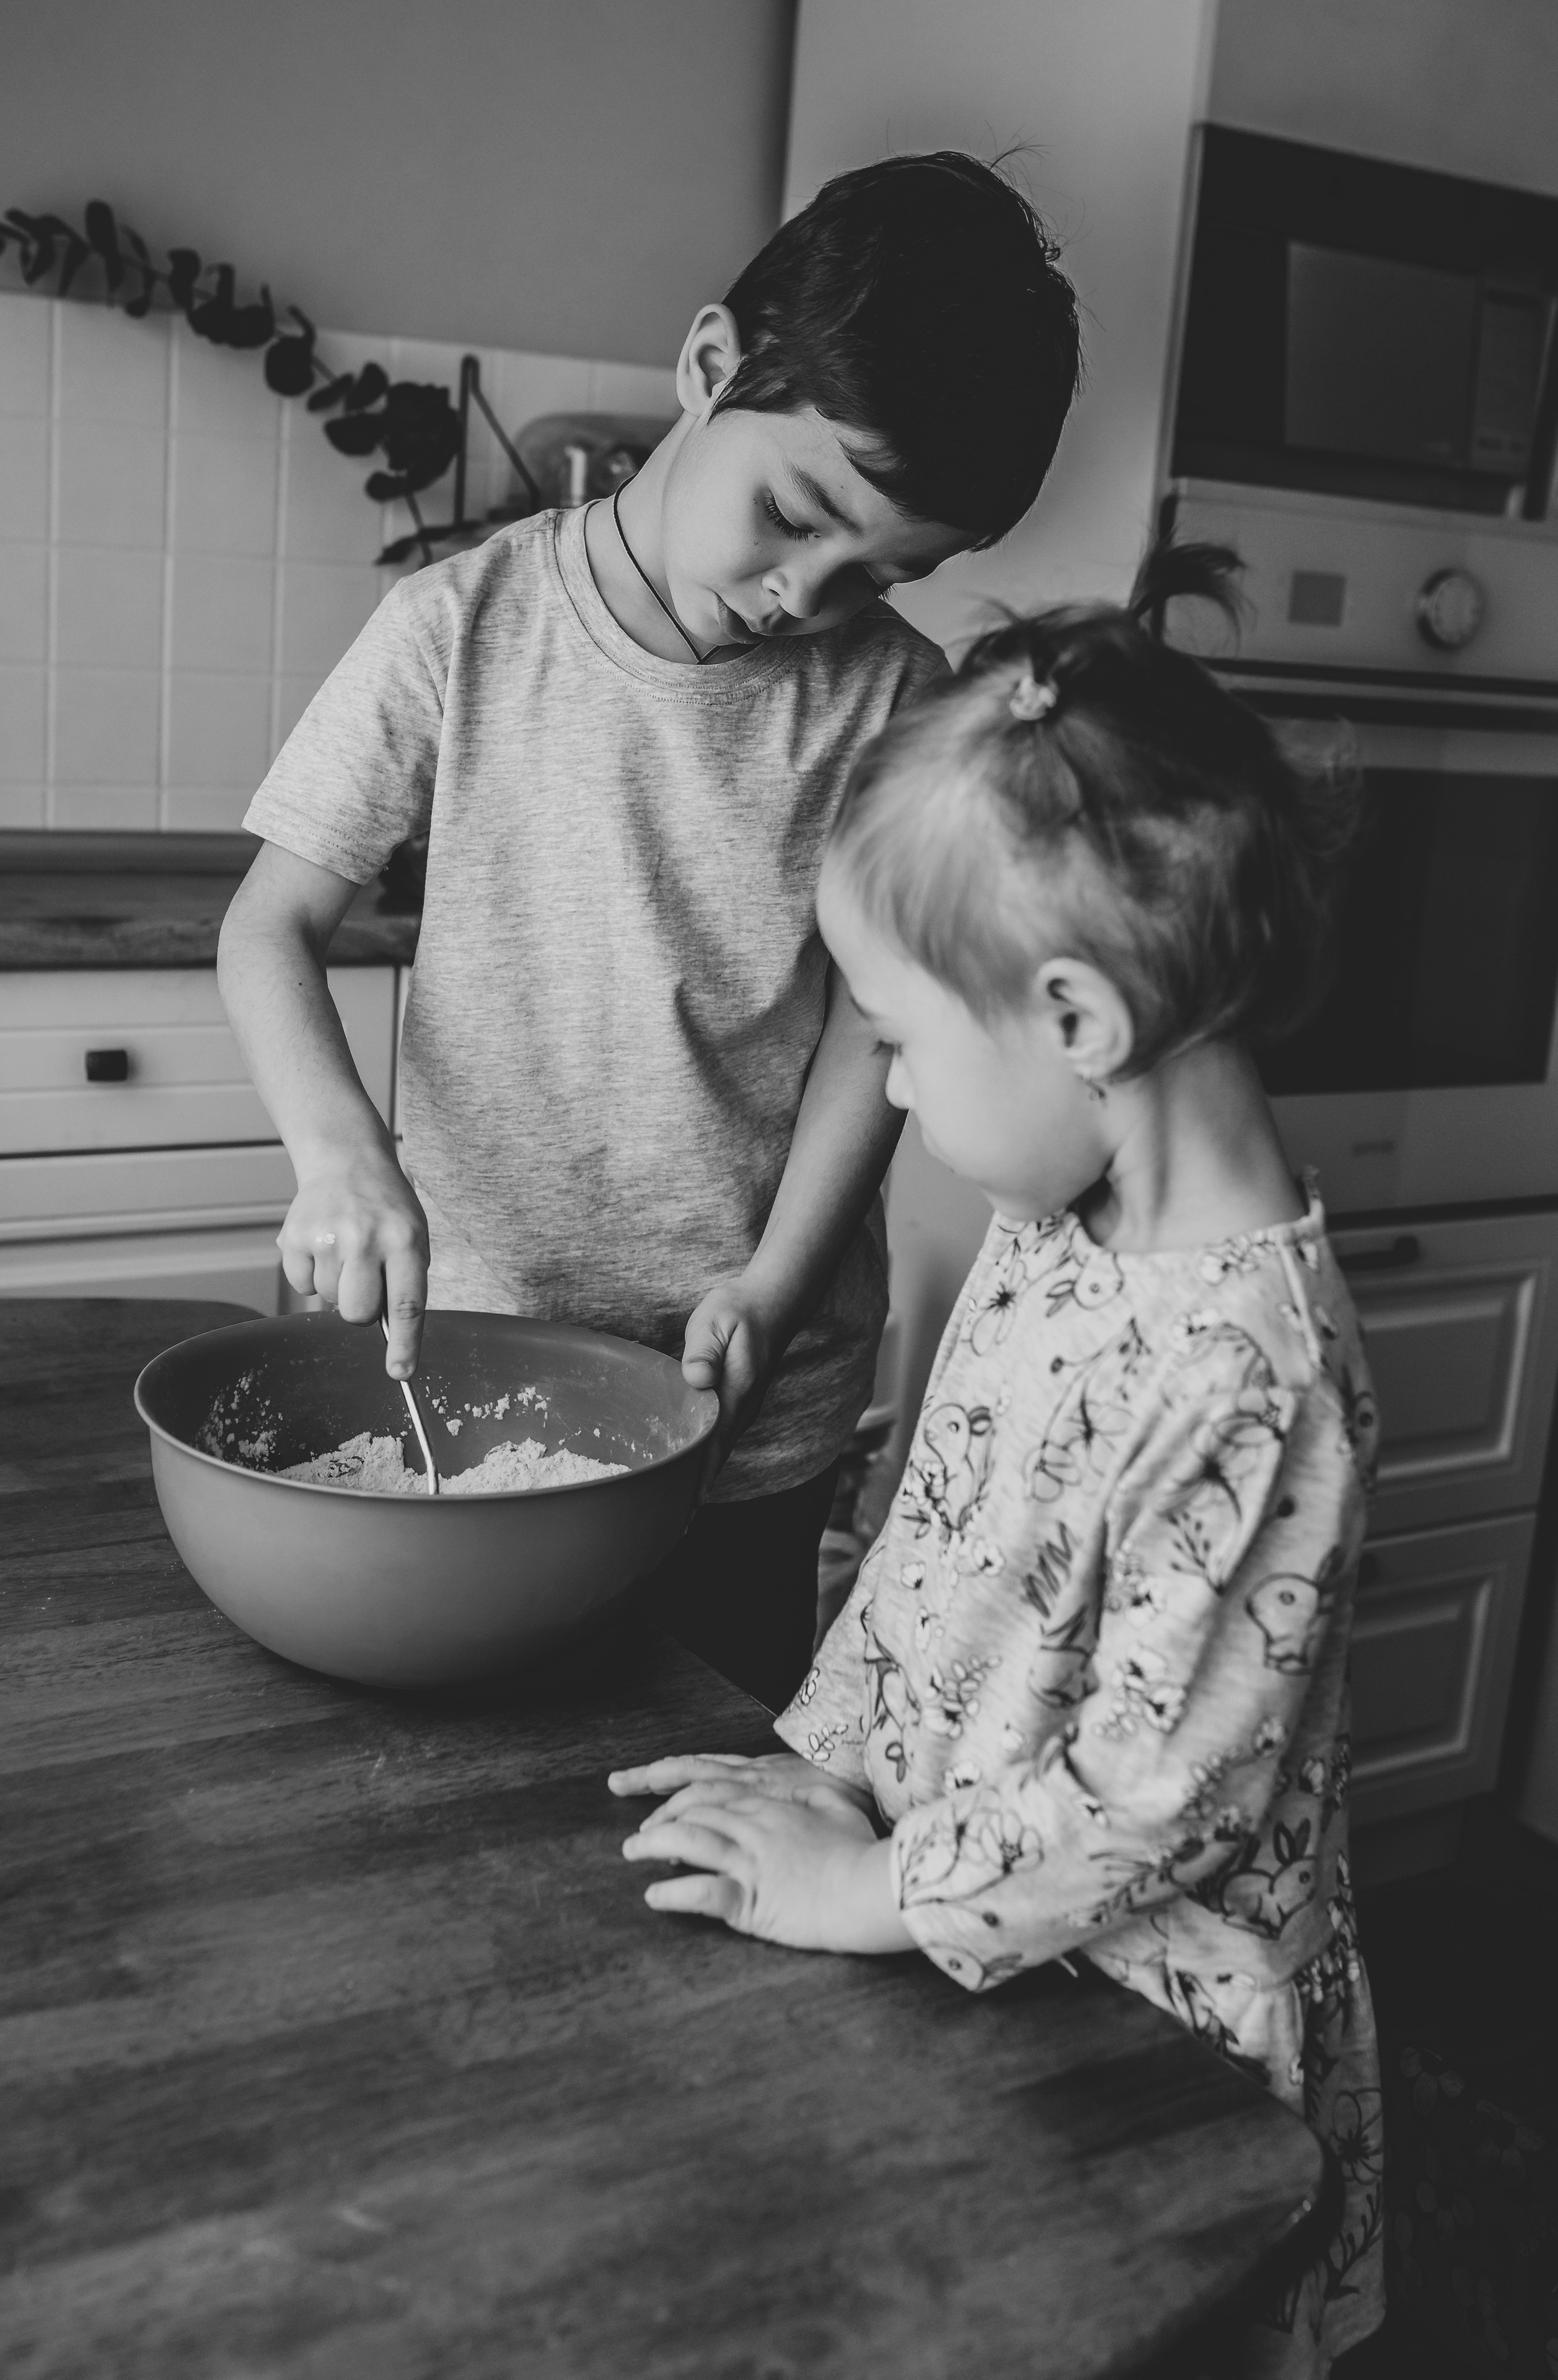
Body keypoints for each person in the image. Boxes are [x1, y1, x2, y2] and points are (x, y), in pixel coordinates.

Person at [610, 545, 1384, 2376]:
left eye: (894, 1041)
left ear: (1075, 1025)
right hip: (969, 1951)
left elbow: (1151, 1797)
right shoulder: (1065, 1227)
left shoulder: (1249, 1373)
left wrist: (867, 1894)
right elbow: (936, 1556)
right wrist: (806, 1779)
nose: (882, 1091)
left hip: (1136, 2047)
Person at [218, 151, 1080, 1715]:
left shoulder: (896, 702)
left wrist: (773, 1280)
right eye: (792, 513)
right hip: (461, 1364)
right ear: (705, 368)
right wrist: (338, 1152)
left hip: (742, 1397)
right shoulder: (459, 629)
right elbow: (270, 925)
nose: (804, 594)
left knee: (696, 1768)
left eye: (882, 571)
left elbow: (863, 1029)